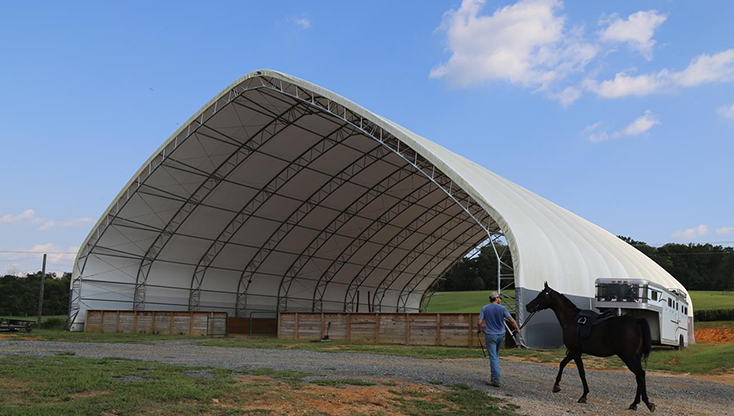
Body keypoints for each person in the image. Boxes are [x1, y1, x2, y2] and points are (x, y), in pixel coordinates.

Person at [478, 292, 519, 387]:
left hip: (490, 335)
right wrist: (517, 329)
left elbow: (479, 322)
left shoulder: (485, 308)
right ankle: (494, 378)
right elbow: (512, 320)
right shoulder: (503, 308)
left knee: (493, 357)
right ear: (496, 298)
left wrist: (479, 330)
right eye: (499, 297)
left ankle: (495, 380)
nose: (500, 299)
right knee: (495, 355)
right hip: (501, 335)